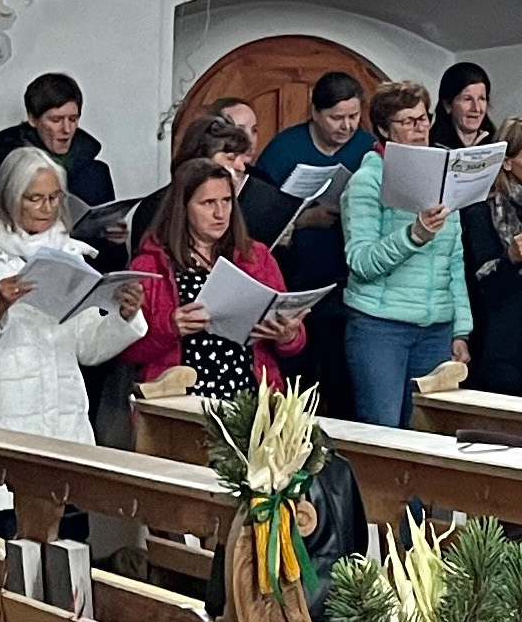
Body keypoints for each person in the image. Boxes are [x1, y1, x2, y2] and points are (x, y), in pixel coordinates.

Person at [0, 147, 146, 622]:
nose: (46, 207)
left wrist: (124, 317)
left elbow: (87, 347)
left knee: (43, 539)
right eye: (34, 198)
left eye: (54, 198)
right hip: (3, 409)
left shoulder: (71, 255)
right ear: (9, 196)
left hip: (57, 410)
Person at [341, 81, 471, 426]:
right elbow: (360, 261)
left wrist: (460, 330)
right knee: (383, 430)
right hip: (380, 326)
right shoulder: (367, 180)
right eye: (408, 121)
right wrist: (414, 235)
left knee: (428, 431)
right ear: (384, 130)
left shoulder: (444, 178)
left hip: (436, 328)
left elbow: (454, 262)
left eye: (424, 118)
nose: (420, 128)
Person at [124, 157, 309, 396]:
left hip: (247, 397)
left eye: (227, 201)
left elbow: (291, 341)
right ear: (183, 207)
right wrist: (170, 328)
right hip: (179, 399)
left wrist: (289, 336)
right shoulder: (150, 265)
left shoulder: (255, 256)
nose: (220, 213)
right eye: (208, 203)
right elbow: (128, 353)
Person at [256, 72, 375, 413]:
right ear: (315, 113)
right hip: (294, 279)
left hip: (348, 282)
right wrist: (303, 220)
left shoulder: (366, 148)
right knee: (297, 379)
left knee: (341, 383)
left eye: (353, 116)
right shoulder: (283, 149)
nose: (347, 126)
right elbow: (256, 219)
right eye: (337, 117)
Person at [462, 118, 522, 398]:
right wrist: (510, 258)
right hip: (501, 335)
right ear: (507, 162)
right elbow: (481, 284)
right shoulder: (482, 208)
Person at [0, 73, 115, 209]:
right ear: (33, 119)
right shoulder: (8, 166)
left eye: (73, 119)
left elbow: (110, 219)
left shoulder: (96, 172)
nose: (67, 129)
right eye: (56, 120)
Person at [127, 115, 254, 250]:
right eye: (230, 158)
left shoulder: (251, 200)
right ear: (201, 159)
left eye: (226, 200)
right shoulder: (152, 209)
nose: (241, 167)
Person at [437, 62, 495, 149]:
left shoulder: (497, 144)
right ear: (447, 105)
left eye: (482, 98)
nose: (476, 108)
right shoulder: (430, 145)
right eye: (467, 99)